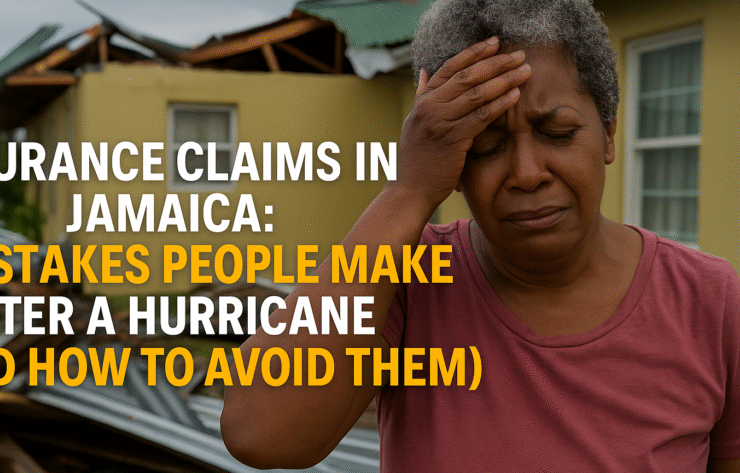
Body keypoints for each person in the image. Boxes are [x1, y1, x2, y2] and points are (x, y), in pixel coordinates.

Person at [220, 0, 740, 471]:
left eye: (558, 133)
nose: (527, 173)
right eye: (485, 146)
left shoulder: (710, 301)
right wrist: (408, 190)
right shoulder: (407, 279)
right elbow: (259, 434)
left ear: (608, 131)